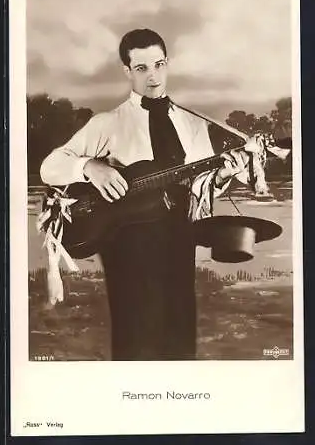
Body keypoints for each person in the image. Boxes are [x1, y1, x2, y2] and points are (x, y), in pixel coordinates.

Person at [40, 28, 247, 361]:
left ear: (167, 63)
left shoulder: (193, 125)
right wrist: (90, 167)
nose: (153, 76)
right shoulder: (107, 123)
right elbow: (50, 167)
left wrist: (223, 174)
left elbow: (201, 188)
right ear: (127, 71)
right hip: (125, 244)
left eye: (159, 64)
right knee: (135, 338)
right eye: (142, 68)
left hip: (179, 238)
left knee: (179, 336)